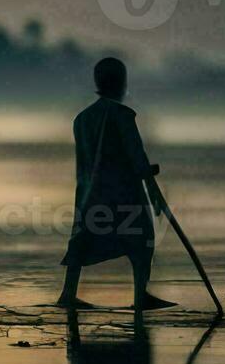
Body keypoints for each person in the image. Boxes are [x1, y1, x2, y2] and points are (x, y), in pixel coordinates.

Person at [57, 57, 175, 311]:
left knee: (82, 238)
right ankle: (140, 295)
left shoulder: (82, 119)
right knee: (142, 240)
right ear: (122, 83)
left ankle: (68, 293)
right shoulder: (122, 115)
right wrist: (153, 191)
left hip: (90, 193)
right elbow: (136, 155)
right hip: (123, 193)